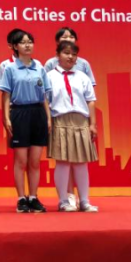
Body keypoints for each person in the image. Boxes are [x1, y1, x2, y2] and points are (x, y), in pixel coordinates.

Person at [0, 30, 52, 214]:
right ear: (15, 46)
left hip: (38, 113)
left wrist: (48, 117)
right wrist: (6, 117)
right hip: (19, 113)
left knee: (35, 161)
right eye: (23, 42)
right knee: (21, 160)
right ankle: (21, 198)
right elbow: (6, 95)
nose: (27, 45)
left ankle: (34, 197)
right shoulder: (10, 68)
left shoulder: (40, 68)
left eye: (30, 41)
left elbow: (44, 96)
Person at [48, 41, 99, 213]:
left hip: (81, 120)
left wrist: (92, 124)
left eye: (74, 54)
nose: (70, 57)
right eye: (66, 53)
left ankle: (84, 201)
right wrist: (48, 121)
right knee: (63, 162)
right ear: (58, 55)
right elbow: (45, 101)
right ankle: (63, 201)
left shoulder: (83, 77)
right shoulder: (49, 76)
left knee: (81, 162)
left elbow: (90, 101)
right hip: (60, 119)